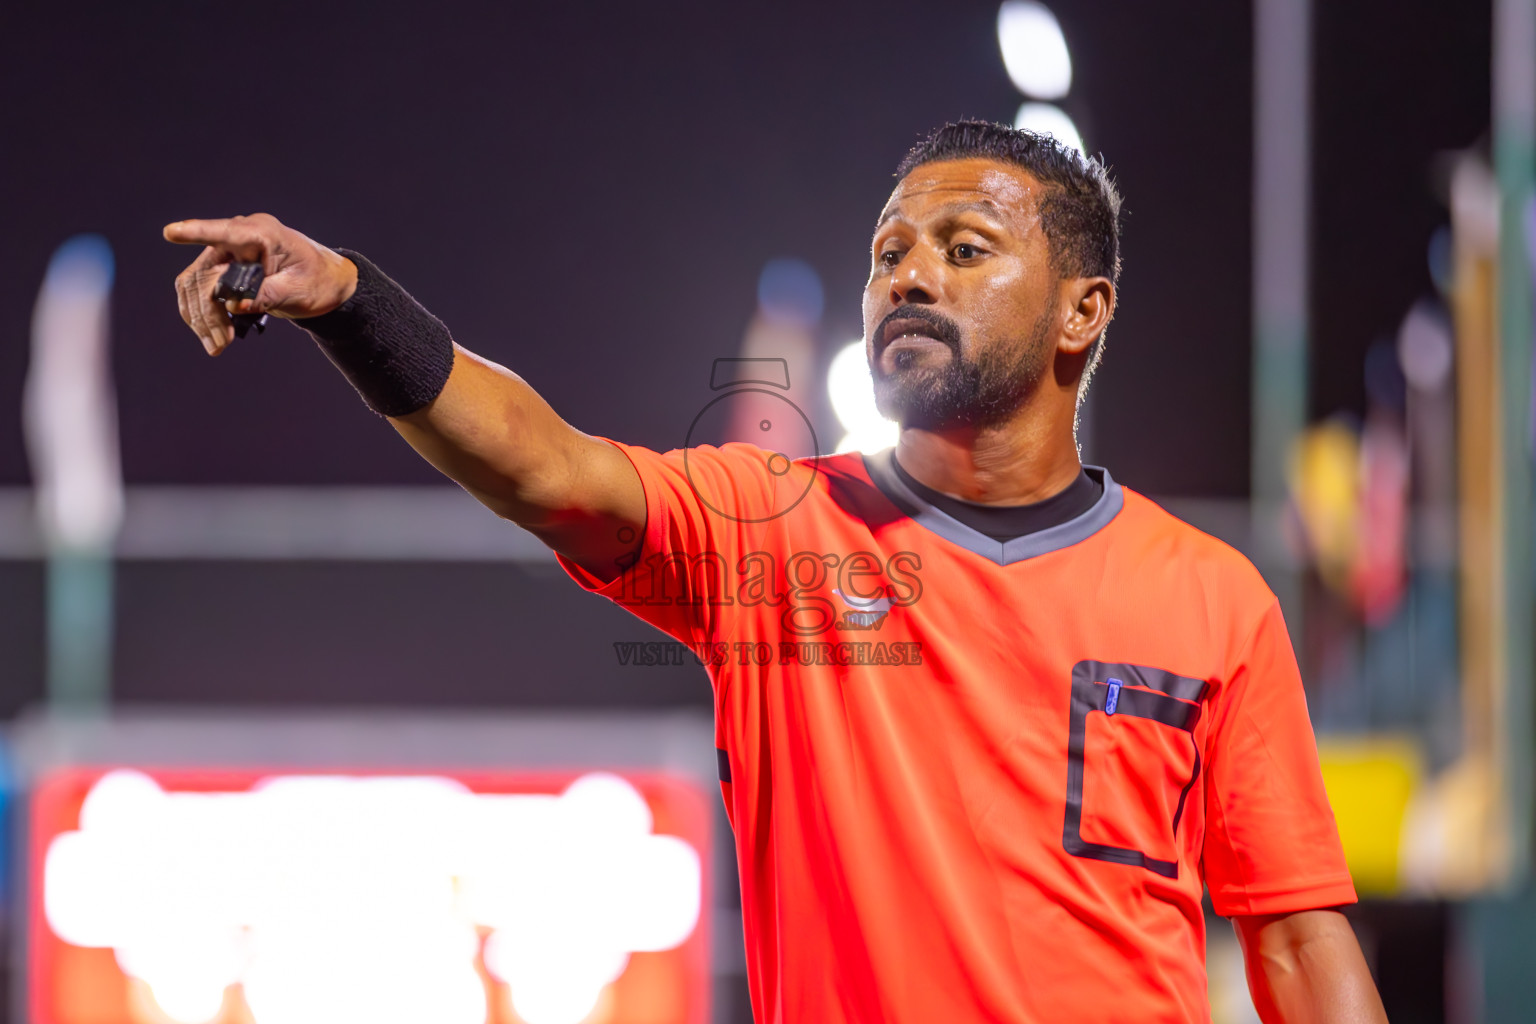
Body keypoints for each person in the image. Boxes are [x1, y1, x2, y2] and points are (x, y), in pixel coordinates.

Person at [167, 121, 1387, 1023]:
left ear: (1083, 313)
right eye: (889, 252)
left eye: (964, 248)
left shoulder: (1214, 596)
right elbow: (546, 466)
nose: (907, 276)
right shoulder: (773, 531)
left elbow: (1294, 940)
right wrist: (348, 302)